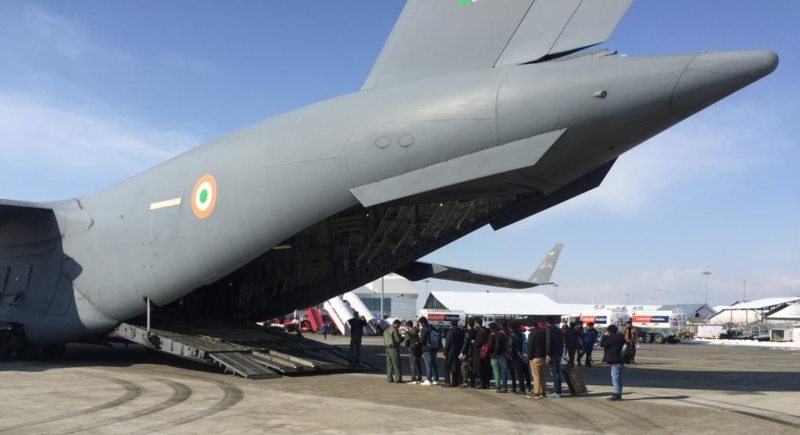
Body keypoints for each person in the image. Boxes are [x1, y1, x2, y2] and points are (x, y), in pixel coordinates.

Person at [601, 324, 626, 400]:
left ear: (609, 331)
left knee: (615, 379)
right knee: (619, 379)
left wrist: (604, 336)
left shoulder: (611, 338)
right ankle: (619, 393)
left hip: (614, 361)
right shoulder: (620, 338)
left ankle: (616, 394)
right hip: (620, 360)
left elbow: (602, 344)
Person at [545, 316, 564, 398]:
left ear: (546, 322)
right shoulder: (559, 330)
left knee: (554, 373)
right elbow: (562, 343)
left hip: (552, 353)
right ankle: (558, 391)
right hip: (558, 353)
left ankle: (556, 392)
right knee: (557, 373)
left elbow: (548, 342)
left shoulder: (549, 330)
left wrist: (547, 354)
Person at [417, 316, 440, 385]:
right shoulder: (432, 327)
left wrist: (419, 337)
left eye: (420, 323)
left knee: (428, 365)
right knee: (433, 363)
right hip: (434, 348)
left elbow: (421, 340)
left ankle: (428, 379)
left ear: (422, 323)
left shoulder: (424, 329)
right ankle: (436, 379)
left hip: (427, 349)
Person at [527, 322, 547, 398]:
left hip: (535, 357)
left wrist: (529, 357)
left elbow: (531, 347)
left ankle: (536, 392)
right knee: (542, 375)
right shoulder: (544, 333)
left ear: (531, 327)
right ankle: (543, 391)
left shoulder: (532, 334)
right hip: (543, 356)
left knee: (536, 375)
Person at [444, 320, 464, 387]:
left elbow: (448, 342)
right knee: (456, 367)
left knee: (447, 367)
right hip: (458, 351)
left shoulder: (450, 332)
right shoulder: (460, 332)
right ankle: (455, 382)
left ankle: (447, 382)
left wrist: (445, 351)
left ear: (451, 324)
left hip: (451, 352)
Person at [384, 319, 403, 383]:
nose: (399, 327)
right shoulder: (394, 330)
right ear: (396, 324)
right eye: (399, 325)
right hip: (393, 348)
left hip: (387, 347)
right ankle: (398, 378)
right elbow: (397, 340)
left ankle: (389, 378)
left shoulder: (386, 330)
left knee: (389, 364)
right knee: (396, 363)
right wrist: (402, 338)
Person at [459, 320, 475, 387]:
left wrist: (462, 352)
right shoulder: (476, 331)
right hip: (475, 352)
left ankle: (465, 381)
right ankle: (472, 381)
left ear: (468, 325)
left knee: (463, 366)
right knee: (472, 367)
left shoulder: (467, 333)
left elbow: (465, 343)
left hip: (468, 352)